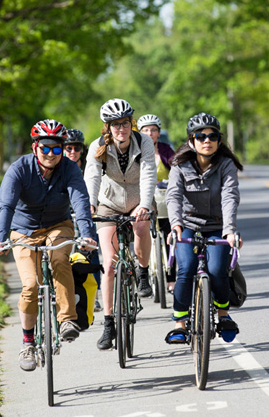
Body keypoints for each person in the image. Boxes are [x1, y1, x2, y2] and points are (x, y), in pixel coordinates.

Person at [0, 119, 97, 371]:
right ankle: (27, 342)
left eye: (57, 148)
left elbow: (81, 202)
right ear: (34, 147)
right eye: (45, 148)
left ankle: (67, 320)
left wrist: (87, 234)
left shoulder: (69, 169)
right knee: (29, 285)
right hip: (23, 230)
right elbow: (6, 206)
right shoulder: (19, 169)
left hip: (58, 225)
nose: (51, 154)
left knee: (60, 260)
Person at [84, 98, 157, 350]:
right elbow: (92, 176)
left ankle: (143, 271)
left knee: (141, 227)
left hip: (139, 200)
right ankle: (108, 323)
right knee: (110, 262)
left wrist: (145, 205)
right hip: (109, 203)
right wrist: (90, 205)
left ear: (131, 123)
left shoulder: (144, 142)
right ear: (108, 127)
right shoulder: (98, 146)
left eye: (125, 123)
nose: (121, 129)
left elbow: (148, 173)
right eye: (115, 125)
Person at [165, 112, 244, 344]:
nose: (206, 140)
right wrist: (175, 224)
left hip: (217, 226)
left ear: (219, 140)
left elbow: (230, 197)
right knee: (186, 267)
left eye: (212, 136)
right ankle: (179, 323)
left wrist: (229, 230)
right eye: (200, 136)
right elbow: (173, 196)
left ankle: (223, 315)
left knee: (218, 268)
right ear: (192, 140)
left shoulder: (226, 165)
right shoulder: (179, 165)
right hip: (187, 224)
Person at [63, 128, 102, 313]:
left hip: (86, 213)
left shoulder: (89, 167)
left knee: (91, 252)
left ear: (82, 150)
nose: (72, 152)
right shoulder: (59, 166)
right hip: (64, 214)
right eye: (68, 148)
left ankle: (94, 295)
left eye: (76, 148)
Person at [137, 114, 176, 291]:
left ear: (159, 133)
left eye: (153, 130)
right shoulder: (134, 151)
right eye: (145, 130)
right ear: (139, 133)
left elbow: (176, 169)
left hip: (163, 197)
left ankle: (171, 278)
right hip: (141, 199)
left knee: (170, 236)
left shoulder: (166, 150)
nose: (149, 133)